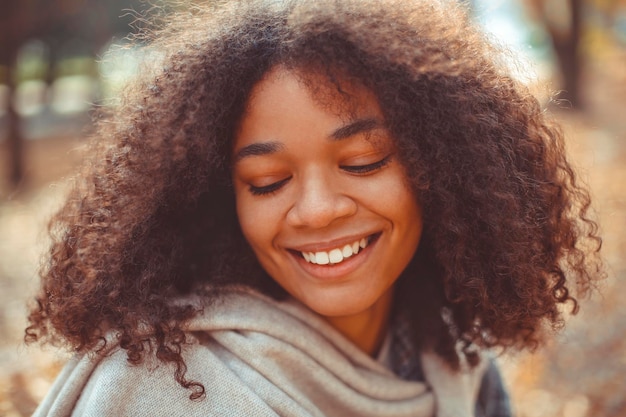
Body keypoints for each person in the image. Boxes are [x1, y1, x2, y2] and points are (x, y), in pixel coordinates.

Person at [27, 0, 604, 416]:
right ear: (217, 198)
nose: (318, 211)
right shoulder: (160, 388)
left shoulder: (456, 362)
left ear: (444, 171)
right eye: (267, 180)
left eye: (363, 161)